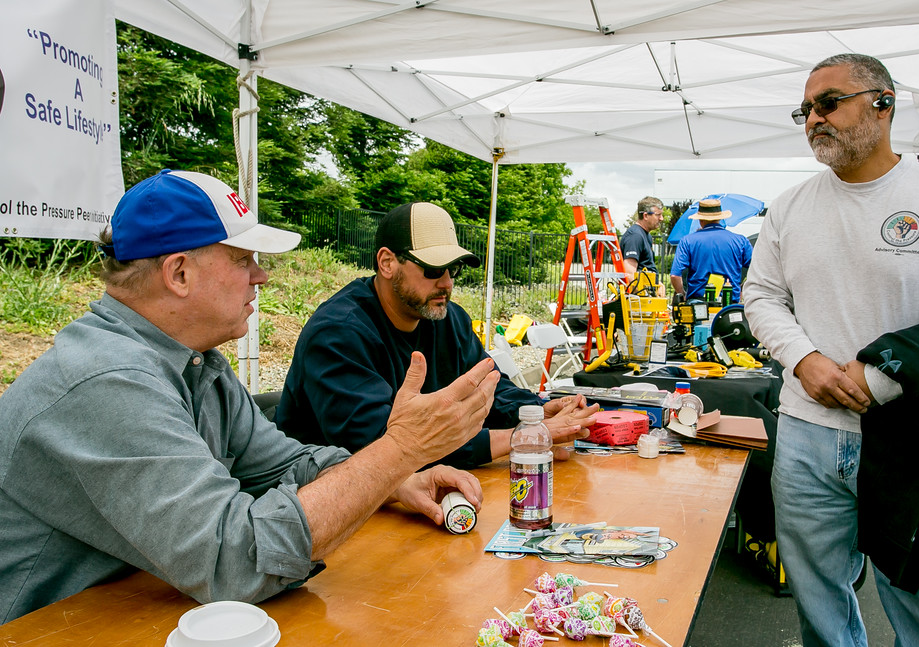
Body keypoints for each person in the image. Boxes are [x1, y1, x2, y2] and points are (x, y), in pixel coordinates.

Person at [0, 170, 499, 624]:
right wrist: (401, 451)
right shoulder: (107, 382)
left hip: (133, 610)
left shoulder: (196, 363)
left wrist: (395, 481)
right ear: (178, 274)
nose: (261, 276)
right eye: (243, 260)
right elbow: (237, 563)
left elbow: (288, 464)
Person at [744, 54, 919, 646]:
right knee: (820, 607)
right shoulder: (789, 207)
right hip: (806, 435)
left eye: (827, 103)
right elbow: (761, 297)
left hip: (911, 433)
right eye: (804, 109)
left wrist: (882, 378)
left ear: (883, 104)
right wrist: (803, 359)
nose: (813, 119)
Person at [275, 202, 596, 468]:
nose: (446, 283)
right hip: (329, 510)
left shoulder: (448, 318)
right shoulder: (338, 335)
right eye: (432, 269)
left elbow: (490, 388)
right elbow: (385, 448)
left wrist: (537, 413)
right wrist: (522, 437)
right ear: (387, 263)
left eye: (453, 269)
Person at [669, 198, 753, 300]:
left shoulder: (687, 241)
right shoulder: (740, 241)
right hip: (729, 303)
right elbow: (757, 269)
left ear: (700, 220)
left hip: (698, 303)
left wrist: (682, 294)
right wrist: (742, 288)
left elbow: (675, 275)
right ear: (720, 218)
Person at [619, 196, 664, 282]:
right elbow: (629, 275)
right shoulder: (635, 236)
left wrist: (659, 285)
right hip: (640, 294)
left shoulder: (646, 236)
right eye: (658, 215)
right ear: (646, 215)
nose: (661, 218)